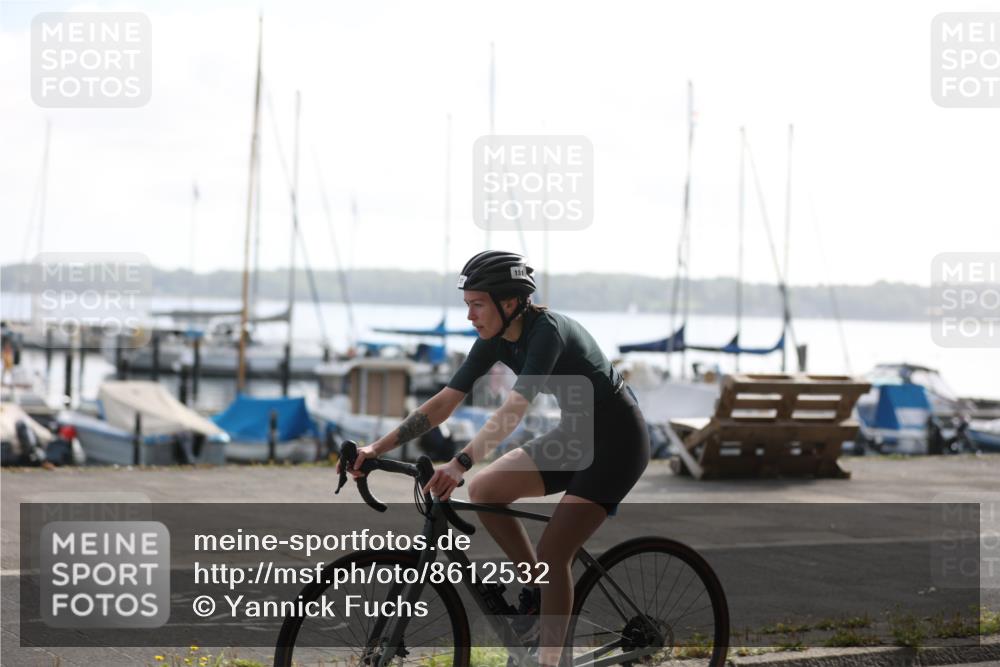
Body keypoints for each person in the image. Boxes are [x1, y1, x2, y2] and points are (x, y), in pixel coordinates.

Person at [351, 250, 650, 667]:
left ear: (509, 303)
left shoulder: (547, 332)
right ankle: (536, 596)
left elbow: (513, 410)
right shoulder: (493, 340)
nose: (470, 316)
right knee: (487, 489)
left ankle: (550, 660)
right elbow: (444, 404)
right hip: (578, 435)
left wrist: (460, 461)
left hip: (619, 443)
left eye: (477, 304)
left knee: (552, 555)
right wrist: (375, 449)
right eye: (467, 304)